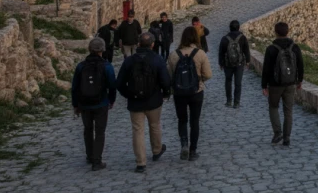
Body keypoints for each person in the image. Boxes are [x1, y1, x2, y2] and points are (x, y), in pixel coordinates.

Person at [116, 32, 170, 173]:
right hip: (154, 100)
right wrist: (166, 94)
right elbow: (165, 80)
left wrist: (128, 94)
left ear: (138, 44)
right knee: (155, 125)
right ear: (152, 44)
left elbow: (120, 82)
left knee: (138, 130)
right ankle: (157, 150)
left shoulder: (129, 61)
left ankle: (141, 162)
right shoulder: (157, 59)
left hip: (135, 101)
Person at [167, 26, 213, 161]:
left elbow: (169, 75)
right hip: (196, 91)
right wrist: (198, 80)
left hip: (179, 92)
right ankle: (193, 151)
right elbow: (208, 74)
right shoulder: (200, 53)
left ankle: (184, 144)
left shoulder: (174, 54)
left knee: (182, 120)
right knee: (195, 120)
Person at [71, 38, 117, 171]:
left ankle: (90, 155)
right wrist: (111, 100)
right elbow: (112, 85)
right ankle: (97, 161)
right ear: (102, 50)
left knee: (88, 130)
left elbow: (75, 87)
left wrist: (76, 105)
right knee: (100, 131)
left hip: (84, 103)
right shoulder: (106, 66)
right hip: (101, 102)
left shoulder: (81, 66)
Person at [262, 22, 304, 147]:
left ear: (275, 32)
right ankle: (287, 137)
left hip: (275, 84)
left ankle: (277, 132)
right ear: (288, 32)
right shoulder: (295, 47)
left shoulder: (271, 49)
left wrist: (264, 85)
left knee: (273, 107)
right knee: (288, 110)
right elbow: (300, 65)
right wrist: (299, 80)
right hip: (290, 83)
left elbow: (266, 69)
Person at [218, 20, 251, 108]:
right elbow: (246, 50)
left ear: (230, 28)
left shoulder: (225, 38)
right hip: (239, 64)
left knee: (228, 81)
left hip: (227, 64)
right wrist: (248, 61)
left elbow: (221, 52)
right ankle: (236, 103)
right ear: (238, 27)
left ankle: (229, 101)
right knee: (238, 83)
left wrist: (221, 63)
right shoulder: (242, 38)